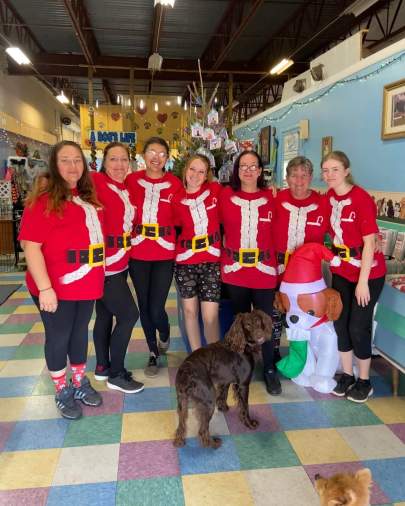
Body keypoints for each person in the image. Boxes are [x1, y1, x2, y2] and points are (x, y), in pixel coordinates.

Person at [18, 141, 104, 420]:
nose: (72, 166)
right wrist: (45, 289)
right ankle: (61, 388)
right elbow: (30, 247)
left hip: (85, 282)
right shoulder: (43, 200)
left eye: (77, 160)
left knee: (79, 333)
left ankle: (78, 381)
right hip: (54, 285)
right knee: (58, 337)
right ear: (54, 164)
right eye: (65, 160)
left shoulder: (86, 197)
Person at [321, 150, 386, 402]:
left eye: (334, 169)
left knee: (358, 326)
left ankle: (364, 380)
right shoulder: (328, 198)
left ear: (346, 171)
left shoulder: (361, 199)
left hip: (367, 272)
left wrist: (362, 282)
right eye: (325, 170)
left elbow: (370, 244)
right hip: (341, 270)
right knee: (340, 322)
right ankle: (347, 375)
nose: (329, 175)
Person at [219, 150, 281, 395]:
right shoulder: (225, 195)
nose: (247, 170)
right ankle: (240, 366)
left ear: (259, 170)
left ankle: (268, 369)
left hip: (264, 272)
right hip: (236, 272)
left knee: (265, 321)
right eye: (243, 166)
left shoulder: (272, 197)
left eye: (252, 165)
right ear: (236, 170)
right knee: (240, 322)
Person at [126, 137, 182, 377]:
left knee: (157, 307)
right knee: (143, 305)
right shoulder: (131, 181)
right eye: (151, 152)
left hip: (164, 252)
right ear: (143, 155)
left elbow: (184, 216)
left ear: (167, 158)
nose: (156, 157)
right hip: (138, 251)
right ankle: (152, 351)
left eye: (161, 153)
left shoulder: (175, 183)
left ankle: (165, 331)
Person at [91, 142, 144, 394]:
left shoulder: (124, 187)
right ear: (104, 162)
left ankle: (102, 366)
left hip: (120, 262)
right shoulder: (95, 182)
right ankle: (116, 373)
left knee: (104, 315)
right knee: (129, 315)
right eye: (114, 159)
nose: (120, 165)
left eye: (124, 159)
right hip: (105, 266)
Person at [272, 156, 328, 357]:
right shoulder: (275, 200)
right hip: (278, 268)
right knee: (277, 312)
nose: (299, 180)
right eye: (294, 175)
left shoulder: (323, 204)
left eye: (304, 176)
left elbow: (341, 231)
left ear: (311, 178)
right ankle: (274, 354)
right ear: (287, 178)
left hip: (308, 277)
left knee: (306, 313)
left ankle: (307, 358)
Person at [173, 154, 221, 351]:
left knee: (210, 316)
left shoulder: (216, 191)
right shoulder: (175, 199)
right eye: (192, 169)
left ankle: (214, 359)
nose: (195, 174)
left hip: (211, 262)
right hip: (185, 263)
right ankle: (196, 357)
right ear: (185, 170)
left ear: (207, 175)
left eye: (201, 171)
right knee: (190, 312)